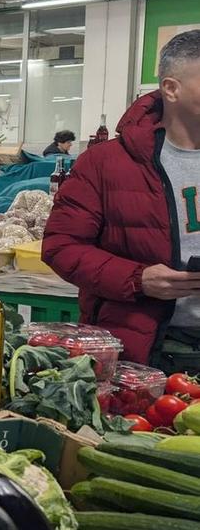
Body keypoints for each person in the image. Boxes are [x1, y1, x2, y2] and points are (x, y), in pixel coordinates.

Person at [43, 30, 200, 371]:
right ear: (171, 88)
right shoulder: (107, 163)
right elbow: (61, 245)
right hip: (147, 350)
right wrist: (137, 279)